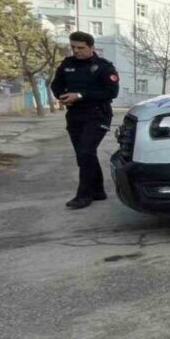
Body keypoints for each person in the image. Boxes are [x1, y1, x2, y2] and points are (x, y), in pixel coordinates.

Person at [50, 31, 119, 209]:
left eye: (81, 48)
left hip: (98, 115)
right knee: (84, 155)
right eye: (73, 47)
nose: (76, 51)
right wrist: (62, 95)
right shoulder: (67, 64)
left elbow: (111, 92)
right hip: (75, 115)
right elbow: (55, 85)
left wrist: (79, 95)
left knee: (86, 152)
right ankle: (98, 191)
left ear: (91, 47)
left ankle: (84, 195)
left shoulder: (104, 67)